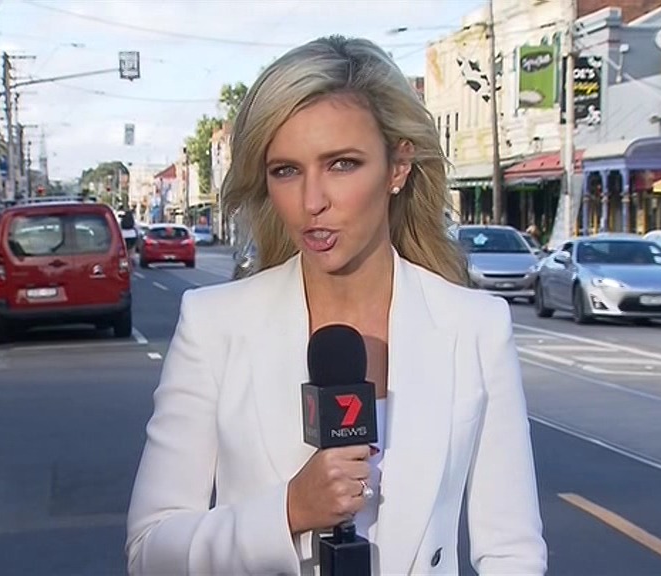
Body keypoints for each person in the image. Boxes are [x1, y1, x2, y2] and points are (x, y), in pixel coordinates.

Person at [126, 35, 547, 576]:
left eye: (342, 164)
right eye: (286, 170)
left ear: (398, 167)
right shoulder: (215, 324)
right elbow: (149, 550)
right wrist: (288, 510)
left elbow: (512, 552)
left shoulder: (475, 327)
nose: (312, 201)